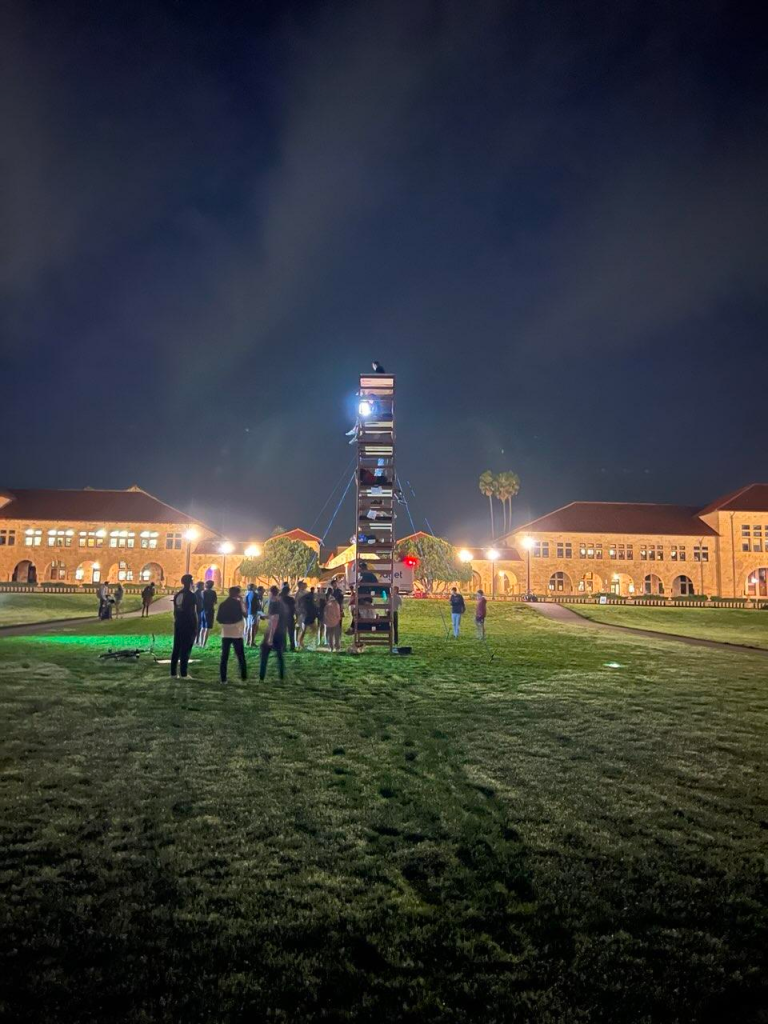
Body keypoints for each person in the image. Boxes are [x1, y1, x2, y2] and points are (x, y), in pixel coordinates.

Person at [217, 586, 247, 684]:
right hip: (236, 632)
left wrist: (226, 622)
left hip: (226, 632)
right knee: (240, 656)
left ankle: (223, 678)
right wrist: (242, 602)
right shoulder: (238, 604)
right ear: (237, 594)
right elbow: (245, 614)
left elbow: (219, 619)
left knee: (224, 657)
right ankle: (243, 676)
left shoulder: (223, 604)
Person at [171, 574, 198, 679]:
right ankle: (183, 673)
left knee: (177, 647)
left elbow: (175, 611)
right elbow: (193, 612)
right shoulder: (191, 595)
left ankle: (173, 672)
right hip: (187, 624)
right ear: (190, 582)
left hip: (178, 622)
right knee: (185, 649)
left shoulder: (177, 594)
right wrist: (195, 625)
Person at [260, 585, 288, 681]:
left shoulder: (274, 603)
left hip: (273, 632)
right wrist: (266, 616)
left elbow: (275, 619)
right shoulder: (281, 603)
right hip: (280, 632)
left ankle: (262, 676)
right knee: (279, 655)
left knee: (264, 654)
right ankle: (281, 676)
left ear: (271, 593)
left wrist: (270, 637)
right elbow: (274, 616)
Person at [296, 581, 317, 649]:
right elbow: (297, 603)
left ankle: (308, 642)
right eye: (303, 584)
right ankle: (299, 643)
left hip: (309, 613)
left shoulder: (306, 592)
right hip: (303, 613)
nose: (305, 585)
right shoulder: (299, 593)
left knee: (313, 628)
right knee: (303, 629)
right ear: (300, 585)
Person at [199, 579, 217, 647]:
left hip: (203, 611)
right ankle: (204, 644)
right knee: (207, 628)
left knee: (202, 627)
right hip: (209, 611)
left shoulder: (202, 592)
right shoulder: (213, 592)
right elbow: (215, 602)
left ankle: (200, 643)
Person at [281, 584, 296, 652]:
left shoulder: (280, 599)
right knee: (291, 633)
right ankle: (292, 646)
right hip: (290, 617)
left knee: (283, 633)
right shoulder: (291, 599)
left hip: (282, 618)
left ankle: (283, 647)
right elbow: (294, 608)